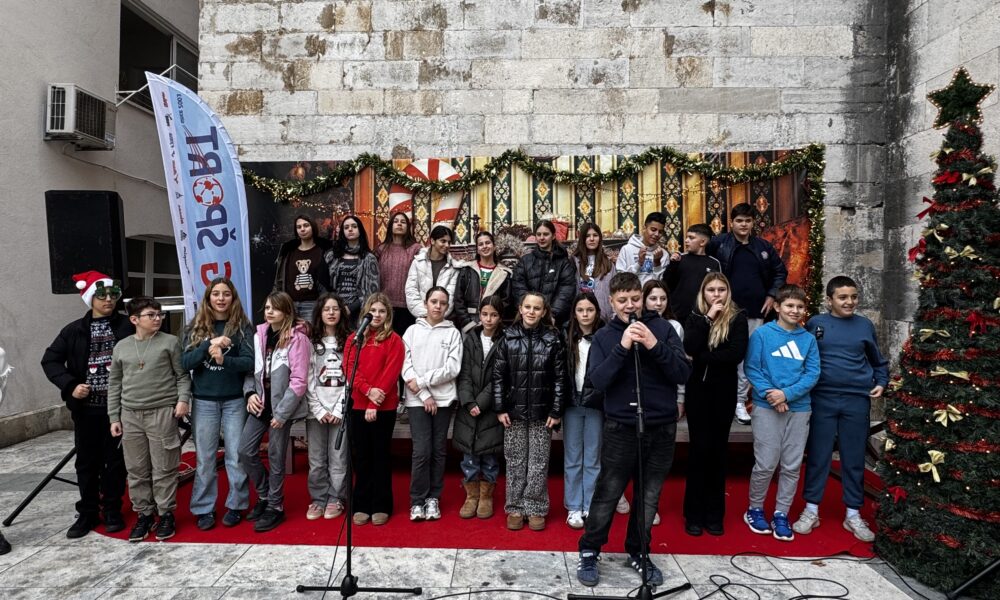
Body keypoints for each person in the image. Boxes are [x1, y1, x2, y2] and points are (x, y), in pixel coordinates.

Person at [576, 272, 690, 588]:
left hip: (661, 426)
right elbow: (597, 381)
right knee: (608, 492)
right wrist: (623, 347)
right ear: (611, 303)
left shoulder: (663, 329)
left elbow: (682, 372)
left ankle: (639, 550)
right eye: (623, 300)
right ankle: (590, 549)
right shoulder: (604, 337)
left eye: (635, 299)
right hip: (621, 426)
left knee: (649, 494)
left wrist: (653, 344)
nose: (630, 305)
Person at [794, 276, 888, 542]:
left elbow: (877, 360)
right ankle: (811, 510)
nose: (849, 302)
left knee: (854, 456)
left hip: (856, 399)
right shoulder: (816, 324)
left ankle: (853, 514)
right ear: (829, 300)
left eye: (854, 297)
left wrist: (881, 382)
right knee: (819, 454)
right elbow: (803, 358)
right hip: (821, 398)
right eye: (843, 297)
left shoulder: (864, 325)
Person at [41, 271, 133, 539]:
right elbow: (50, 361)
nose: (108, 300)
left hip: (119, 409)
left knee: (115, 462)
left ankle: (112, 509)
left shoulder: (128, 326)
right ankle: (88, 511)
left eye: (113, 295)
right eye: (102, 296)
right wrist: (70, 385)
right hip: (87, 410)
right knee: (87, 462)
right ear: (91, 298)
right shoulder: (73, 330)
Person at [108, 296, 191, 542]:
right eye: (151, 315)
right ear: (134, 319)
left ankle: (165, 513)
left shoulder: (170, 342)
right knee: (136, 469)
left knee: (164, 466)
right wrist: (114, 416)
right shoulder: (122, 347)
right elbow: (115, 383)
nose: (157, 319)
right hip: (130, 414)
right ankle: (144, 514)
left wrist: (183, 400)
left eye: (159, 314)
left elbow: (182, 375)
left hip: (161, 411)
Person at [742, 284, 820, 542]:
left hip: (799, 408)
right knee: (766, 463)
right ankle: (755, 508)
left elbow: (812, 373)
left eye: (800, 306)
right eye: (789, 305)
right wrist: (772, 395)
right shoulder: (762, 335)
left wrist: (787, 395)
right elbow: (753, 368)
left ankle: (781, 513)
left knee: (791, 465)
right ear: (777, 307)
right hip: (766, 407)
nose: (795, 310)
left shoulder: (808, 339)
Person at [181, 278, 255, 531]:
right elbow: (185, 363)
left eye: (226, 294)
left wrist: (225, 360)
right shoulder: (195, 327)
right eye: (216, 294)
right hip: (204, 400)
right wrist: (207, 345)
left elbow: (250, 362)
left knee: (236, 457)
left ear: (233, 298)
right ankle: (204, 508)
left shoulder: (242, 327)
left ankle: (236, 505)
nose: (221, 298)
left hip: (235, 399)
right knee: (205, 459)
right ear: (208, 298)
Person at [707, 203, 788, 425]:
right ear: (731, 222)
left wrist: (772, 295)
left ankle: (740, 402)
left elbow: (780, 271)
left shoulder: (763, 246)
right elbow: (701, 264)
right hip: (723, 311)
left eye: (748, 221)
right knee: (720, 355)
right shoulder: (718, 243)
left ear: (753, 223)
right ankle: (718, 400)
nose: (744, 225)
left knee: (747, 358)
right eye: (739, 220)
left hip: (755, 311)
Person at [682, 273, 749, 536]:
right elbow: (689, 346)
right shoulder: (695, 317)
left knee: (718, 453)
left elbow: (735, 354)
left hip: (724, 392)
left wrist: (701, 357)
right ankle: (693, 514)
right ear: (703, 293)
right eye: (711, 290)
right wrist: (708, 318)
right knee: (698, 451)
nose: (717, 294)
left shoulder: (738, 317)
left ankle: (714, 514)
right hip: (698, 392)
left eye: (722, 289)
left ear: (728, 291)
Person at [494, 291, 567, 531]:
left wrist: (556, 410)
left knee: (538, 462)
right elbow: (498, 376)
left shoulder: (552, 339)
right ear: (520, 308)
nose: (531, 311)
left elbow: (560, 378)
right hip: (513, 412)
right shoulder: (508, 337)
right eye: (528, 307)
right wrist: (500, 407)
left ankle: (535, 506)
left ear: (544, 312)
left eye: (537, 308)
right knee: (515, 460)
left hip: (541, 414)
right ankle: (515, 506)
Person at [238, 292, 310, 533]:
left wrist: (282, 413)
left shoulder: (297, 339)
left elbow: (299, 381)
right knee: (245, 451)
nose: (269, 312)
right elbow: (252, 371)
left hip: (281, 407)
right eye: (267, 307)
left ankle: (275, 506)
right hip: (260, 403)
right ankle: (265, 494)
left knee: (277, 457)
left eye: (275, 308)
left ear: (287, 312)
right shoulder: (259, 334)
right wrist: (249, 393)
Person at [402, 287, 463, 521]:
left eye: (442, 303)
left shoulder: (453, 333)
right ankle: (417, 500)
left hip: (443, 399)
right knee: (421, 451)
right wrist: (423, 393)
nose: (438, 306)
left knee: (438, 450)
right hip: (417, 400)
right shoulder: (412, 331)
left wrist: (424, 382)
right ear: (426, 303)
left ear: (447, 307)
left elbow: (452, 368)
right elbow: (405, 365)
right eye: (434, 301)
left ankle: (433, 498)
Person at [345, 292, 405, 526]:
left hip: (384, 407)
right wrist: (367, 391)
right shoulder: (354, 339)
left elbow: (390, 373)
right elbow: (349, 367)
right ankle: (361, 503)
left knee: (380, 456)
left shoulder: (394, 340)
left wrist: (374, 402)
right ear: (365, 313)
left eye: (382, 311)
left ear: (388, 314)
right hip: (358, 405)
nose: (377, 315)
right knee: (362, 457)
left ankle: (381, 504)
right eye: (373, 311)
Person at [453, 295, 505, 519]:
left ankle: (486, 496)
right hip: (469, 406)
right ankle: (471, 495)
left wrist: (481, 403)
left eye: (493, 315)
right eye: (484, 314)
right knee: (470, 456)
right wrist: (469, 401)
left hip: (490, 407)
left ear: (500, 317)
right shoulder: (470, 339)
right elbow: (463, 373)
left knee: (490, 456)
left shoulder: (504, 341)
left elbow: (499, 377)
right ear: (479, 316)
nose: (488, 319)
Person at [641, 279, 686, 526]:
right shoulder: (635, 324)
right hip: (640, 400)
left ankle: (649, 506)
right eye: (653, 298)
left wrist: (680, 398)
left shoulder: (674, 326)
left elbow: (679, 365)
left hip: (664, 399)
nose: (658, 303)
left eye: (662, 298)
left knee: (656, 459)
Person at [304, 293, 351, 521]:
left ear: (341, 312)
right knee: (316, 460)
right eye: (326, 309)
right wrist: (319, 409)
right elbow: (307, 378)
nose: (331, 313)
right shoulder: (311, 343)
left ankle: (336, 497)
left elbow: (351, 377)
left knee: (338, 458)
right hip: (317, 411)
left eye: (335, 308)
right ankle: (318, 498)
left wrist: (339, 409)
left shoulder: (349, 341)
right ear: (319, 313)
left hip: (340, 410)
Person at [562, 293, 605, 530]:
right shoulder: (566, 335)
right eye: (580, 310)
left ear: (597, 311)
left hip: (595, 403)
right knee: (573, 456)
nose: (585, 314)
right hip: (572, 401)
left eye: (590, 310)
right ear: (574, 313)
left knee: (592, 456)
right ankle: (573, 505)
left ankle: (590, 503)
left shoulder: (604, 335)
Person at [511, 220, 578, 327]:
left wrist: (552, 314)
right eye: (539, 234)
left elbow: (566, 290)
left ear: (553, 236)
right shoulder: (525, 261)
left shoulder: (563, 262)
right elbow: (518, 288)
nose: (542, 238)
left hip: (554, 320)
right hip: (528, 318)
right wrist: (529, 310)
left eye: (546, 234)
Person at [273, 214, 332, 322]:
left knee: (312, 332)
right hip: (290, 304)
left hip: (313, 304)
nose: (302, 229)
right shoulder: (289, 252)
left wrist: (325, 302)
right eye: (299, 227)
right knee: (290, 333)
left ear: (313, 227)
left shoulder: (323, 251)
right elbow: (279, 280)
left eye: (306, 225)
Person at [326, 215, 380, 328]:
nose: (350, 229)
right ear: (342, 232)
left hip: (359, 310)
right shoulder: (333, 256)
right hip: (335, 308)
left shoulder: (369, 258)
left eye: (354, 226)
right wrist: (336, 306)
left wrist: (350, 308)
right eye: (346, 227)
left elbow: (372, 291)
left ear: (360, 230)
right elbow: (325, 284)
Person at [452, 230, 512, 333]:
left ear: (494, 247)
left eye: (488, 243)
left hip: (492, 324)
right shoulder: (467, 270)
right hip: (469, 323)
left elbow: (505, 302)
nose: (484, 246)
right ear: (477, 250)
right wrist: (467, 323)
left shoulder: (504, 273)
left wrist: (492, 320)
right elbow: (458, 299)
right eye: (480, 244)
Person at [405, 225, 468, 322]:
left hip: (444, 320)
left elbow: (450, 297)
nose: (447, 245)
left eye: (449, 242)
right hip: (420, 319)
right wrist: (425, 315)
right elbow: (411, 291)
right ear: (432, 241)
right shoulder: (418, 262)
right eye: (443, 241)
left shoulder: (453, 267)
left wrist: (436, 315)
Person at [376, 211, 422, 336]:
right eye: (396, 221)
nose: (399, 224)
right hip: (385, 306)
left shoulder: (415, 249)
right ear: (390, 226)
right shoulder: (381, 249)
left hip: (408, 307)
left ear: (408, 227)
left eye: (403, 222)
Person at [663, 223, 721, 322]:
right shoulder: (679, 259)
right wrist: (673, 264)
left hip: (702, 314)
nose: (686, 240)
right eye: (686, 237)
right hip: (677, 314)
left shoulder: (714, 263)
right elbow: (666, 284)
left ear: (702, 242)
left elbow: (717, 289)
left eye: (691, 238)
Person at [572, 223, 616, 321]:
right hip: (582, 318)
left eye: (595, 235)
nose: (592, 239)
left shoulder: (608, 264)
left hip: (604, 319)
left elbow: (614, 292)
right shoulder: (574, 262)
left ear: (600, 238)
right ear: (582, 239)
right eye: (587, 236)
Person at [615, 212, 667, 284]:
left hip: (652, 291)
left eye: (660, 232)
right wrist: (639, 263)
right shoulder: (627, 249)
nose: (656, 234)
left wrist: (657, 263)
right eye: (653, 230)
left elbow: (661, 284)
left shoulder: (663, 254)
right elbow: (620, 280)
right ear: (644, 228)